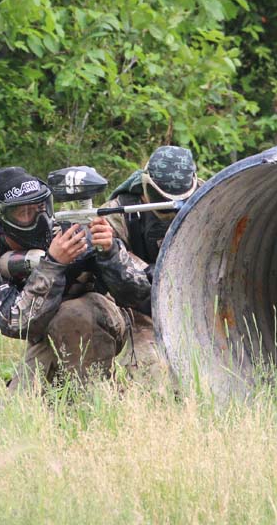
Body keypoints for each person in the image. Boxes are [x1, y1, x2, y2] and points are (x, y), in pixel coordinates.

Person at [0, 166, 151, 390]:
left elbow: (139, 293)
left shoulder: (72, 232)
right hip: (46, 335)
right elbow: (16, 324)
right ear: (1, 217)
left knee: (73, 313)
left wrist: (110, 252)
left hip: (104, 321)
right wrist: (53, 265)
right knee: (23, 403)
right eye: (24, 213)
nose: (39, 219)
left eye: (40, 207)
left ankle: (97, 393)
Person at [105, 145, 200, 378]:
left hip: (196, 306)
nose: (170, 207)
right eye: (161, 198)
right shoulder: (120, 211)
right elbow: (108, 263)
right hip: (141, 311)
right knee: (150, 373)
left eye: (180, 200)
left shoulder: (210, 200)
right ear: (145, 184)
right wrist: (146, 270)